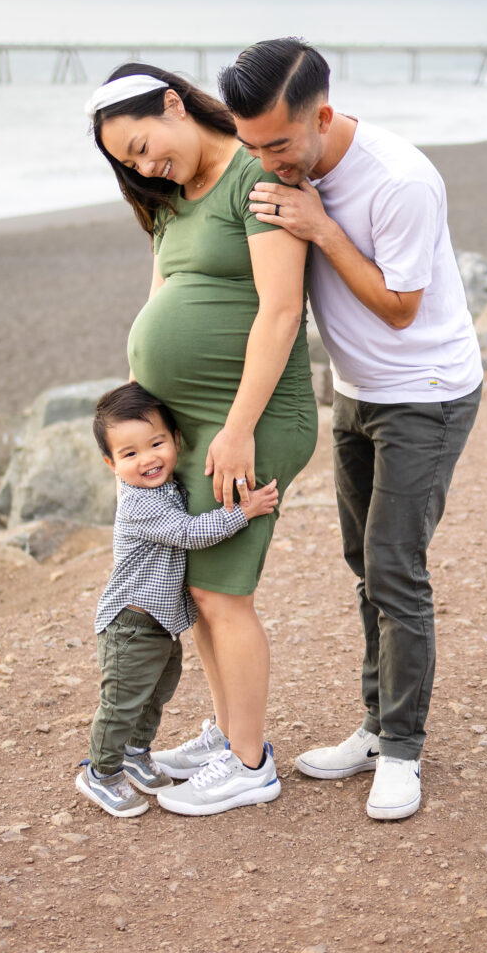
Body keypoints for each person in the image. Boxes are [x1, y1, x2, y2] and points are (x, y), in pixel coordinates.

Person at [218, 38, 483, 821]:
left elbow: (401, 307)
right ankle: (375, 725)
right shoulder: (280, 166)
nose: (262, 161)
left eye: (276, 144)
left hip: (426, 393)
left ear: (323, 116)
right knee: (361, 562)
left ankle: (402, 749)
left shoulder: (401, 180)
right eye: (248, 144)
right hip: (357, 394)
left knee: (396, 568)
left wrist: (322, 227)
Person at [86, 64, 317, 816]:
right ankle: (229, 733)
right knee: (199, 588)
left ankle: (250, 763)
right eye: (128, 161)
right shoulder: (170, 202)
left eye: (146, 144)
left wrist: (240, 428)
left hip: (248, 420)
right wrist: (137, 408)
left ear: (176, 104)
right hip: (184, 429)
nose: (144, 165)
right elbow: (160, 299)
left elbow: (281, 312)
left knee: (222, 594)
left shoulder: (253, 177)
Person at [76, 382, 279, 818]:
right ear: (111, 464)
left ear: (175, 442)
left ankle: (135, 751)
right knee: (123, 700)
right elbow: (189, 533)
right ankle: (101, 771)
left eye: (156, 444)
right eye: (130, 454)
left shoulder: (164, 487)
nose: (147, 459)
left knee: (156, 692)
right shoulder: (139, 504)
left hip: (159, 624)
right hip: (130, 624)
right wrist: (243, 511)